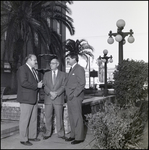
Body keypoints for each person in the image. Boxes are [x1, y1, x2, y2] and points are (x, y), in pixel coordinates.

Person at [17, 54, 43, 146]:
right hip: (26, 99)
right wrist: (37, 85)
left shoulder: (33, 70)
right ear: (29, 60)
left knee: (33, 119)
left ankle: (32, 136)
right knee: (25, 119)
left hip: (33, 98)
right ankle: (23, 139)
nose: (36, 62)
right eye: (34, 60)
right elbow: (23, 83)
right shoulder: (22, 69)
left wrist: (39, 85)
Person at [42, 56, 66, 140]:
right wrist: (50, 92)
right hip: (48, 99)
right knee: (48, 117)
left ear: (57, 64)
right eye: (50, 63)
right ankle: (47, 133)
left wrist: (57, 93)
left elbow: (64, 86)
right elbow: (44, 85)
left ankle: (61, 133)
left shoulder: (63, 74)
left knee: (59, 117)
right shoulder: (46, 74)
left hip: (58, 99)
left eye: (53, 63)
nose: (51, 65)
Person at [65, 53, 86, 144]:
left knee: (77, 117)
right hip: (70, 97)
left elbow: (82, 83)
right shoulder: (71, 69)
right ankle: (73, 135)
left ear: (74, 58)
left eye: (69, 58)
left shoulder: (79, 68)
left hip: (75, 97)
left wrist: (74, 94)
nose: (67, 60)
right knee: (71, 117)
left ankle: (79, 137)